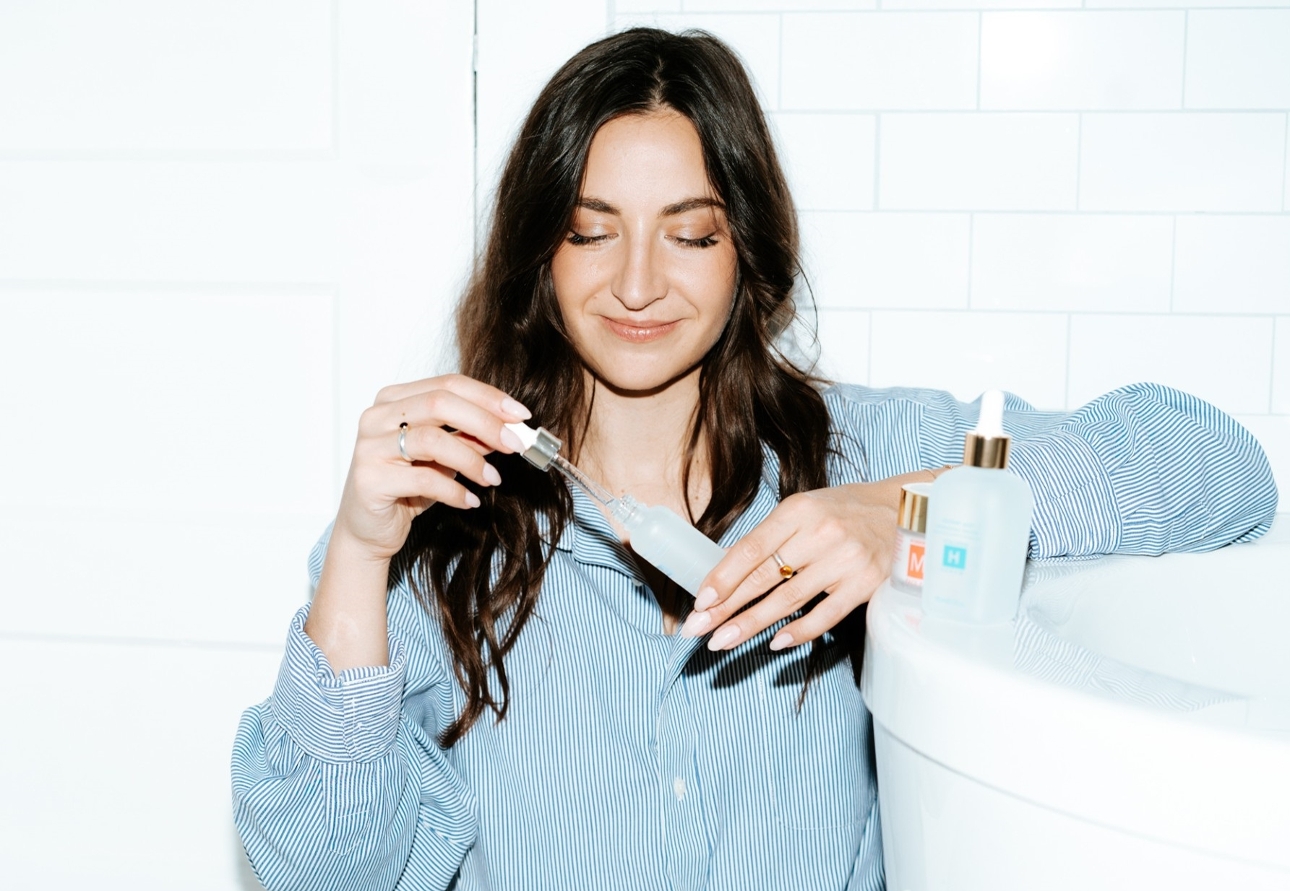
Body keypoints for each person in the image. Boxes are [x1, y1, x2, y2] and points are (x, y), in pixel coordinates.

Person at [231, 28, 1277, 891]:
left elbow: (1220, 473)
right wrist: (364, 556)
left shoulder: (856, 457)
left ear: (748, 254)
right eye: (593, 233)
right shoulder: (441, 529)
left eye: (690, 234)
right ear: (538, 256)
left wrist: (903, 514)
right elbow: (325, 871)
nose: (638, 283)